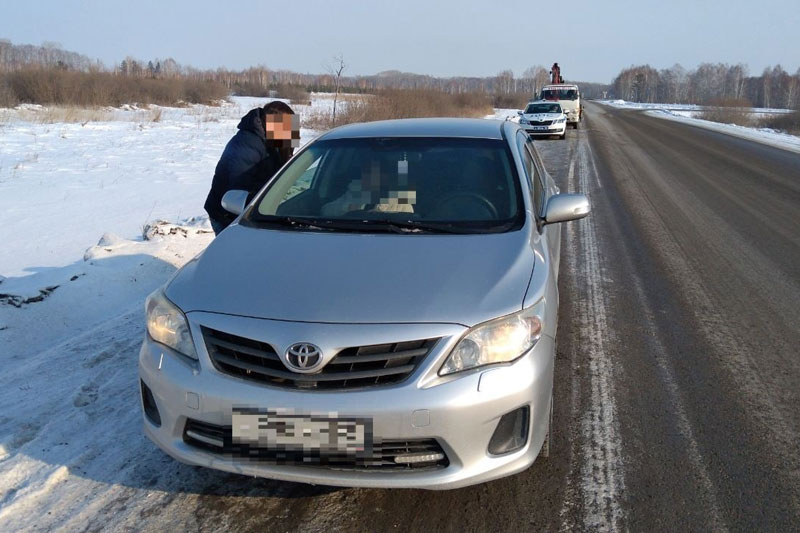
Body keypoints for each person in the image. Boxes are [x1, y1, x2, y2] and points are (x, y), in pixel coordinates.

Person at [204, 101, 299, 235]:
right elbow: (237, 190)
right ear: (273, 123)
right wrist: (271, 200)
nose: (290, 133)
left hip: (251, 211)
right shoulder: (248, 143)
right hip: (227, 215)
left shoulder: (273, 140)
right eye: (287, 127)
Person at [321, 159, 415, 217]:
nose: (369, 177)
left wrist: (379, 214)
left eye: (376, 173)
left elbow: (408, 223)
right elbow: (325, 210)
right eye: (367, 173)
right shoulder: (354, 192)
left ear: (385, 177)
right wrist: (347, 208)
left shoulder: (401, 201)